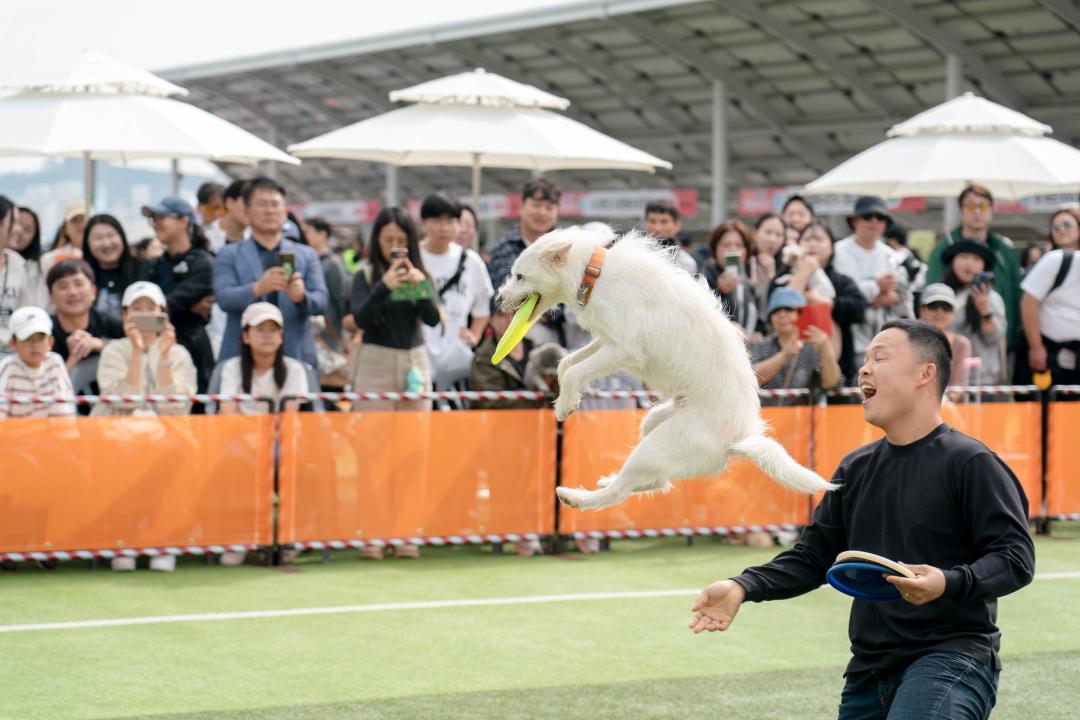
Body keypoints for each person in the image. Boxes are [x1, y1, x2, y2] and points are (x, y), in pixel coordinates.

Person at [690, 319, 1035, 720]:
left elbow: (1015, 558)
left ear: (927, 374)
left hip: (951, 658)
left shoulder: (970, 462)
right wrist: (741, 586)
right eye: (865, 359)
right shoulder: (854, 468)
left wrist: (947, 582)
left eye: (880, 357)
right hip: (868, 670)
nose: (864, 369)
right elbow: (813, 558)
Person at [213, 177, 328, 376]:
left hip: (295, 354)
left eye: (275, 204)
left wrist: (301, 297)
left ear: (285, 211)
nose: (269, 210)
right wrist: (257, 288)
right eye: (262, 204)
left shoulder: (306, 255)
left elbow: (322, 301)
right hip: (242, 358)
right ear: (247, 211)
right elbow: (224, 298)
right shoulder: (229, 253)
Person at [350, 207, 440, 414]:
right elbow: (360, 320)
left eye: (401, 241)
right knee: (373, 438)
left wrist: (421, 291)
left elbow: (432, 320)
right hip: (375, 365)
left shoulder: (420, 275)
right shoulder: (365, 275)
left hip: (414, 364)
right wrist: (383, 287)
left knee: (413, 439)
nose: (395, 247)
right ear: (376, 240)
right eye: (388, 240)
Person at [926, 184, 1022, 353]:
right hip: (947, 351)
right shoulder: (942, 250)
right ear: (961, 211)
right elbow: (931, 295)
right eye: (970, 206)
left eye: (983, 206)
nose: (977, 211)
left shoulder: (1005, 252)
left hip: (998, 349)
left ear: (991, 210)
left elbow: (1016, 298)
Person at [418, 194, 493, 392]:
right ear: (423, 223)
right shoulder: (414, 259)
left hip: (455, 360)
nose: (444, 227)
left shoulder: (471, 261)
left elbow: (483, 307)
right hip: (418, 354)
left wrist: (475, 335)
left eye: (450, 221)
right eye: (436, 220)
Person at [143, 195, 216, 393]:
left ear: (184, 221)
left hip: (191, 348)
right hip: (155, 350)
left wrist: (151, 319)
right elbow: (141, 318)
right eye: (153, 219)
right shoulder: (154, 265)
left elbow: (167, 309)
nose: (155, 224)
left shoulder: (203, 264)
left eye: (161, 217)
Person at [93, 281, 196, 418]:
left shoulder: (178, 353)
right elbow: (125, 401)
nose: (144, 314)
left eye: (151, 308)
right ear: (125, 315)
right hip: (118, 432)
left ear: (163, 314)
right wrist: (137, 351)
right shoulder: (113, 350)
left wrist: (164, 356)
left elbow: (174, 406)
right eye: (137, 308)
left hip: (167, 432)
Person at [781, 222, 867, 384]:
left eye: (819, 239)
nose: (812, 243)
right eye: (807, 239)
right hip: (789, 365)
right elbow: (779, 305)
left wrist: (828, 303)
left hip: (837, 366)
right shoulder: (784, 277)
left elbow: (859, 308)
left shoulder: (841, 281)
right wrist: (803, 273)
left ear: (831, 247)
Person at [832, 196, 912, 362]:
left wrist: (894, 298)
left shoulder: (891, 255)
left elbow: (904, 299)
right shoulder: (838, 252)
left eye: (880, 218)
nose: (874, 221)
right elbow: (837, 295)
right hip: (847, 338)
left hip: (884, 339)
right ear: (854, 221)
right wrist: (875, 286)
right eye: (868, 216)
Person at [487, 178, 563, 345]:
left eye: (549, 207)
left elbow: (565, 304)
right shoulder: (504, 248)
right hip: (510, 335)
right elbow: (504, 295)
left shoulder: (562, 251)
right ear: (521, 207)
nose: (542, 212)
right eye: (536, 205)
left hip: (553, 340)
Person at [218, 302, 310, 416]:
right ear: (245, 336)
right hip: (240, 432)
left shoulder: (294, 369)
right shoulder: (231, 368)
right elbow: (228, 413)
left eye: (273, 329)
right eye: (261, 329)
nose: (268, 335)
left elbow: (288, 416)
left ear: (281, 336)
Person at [749, 287, 840, 397]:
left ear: (801, 314)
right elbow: (750, 379)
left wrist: (826, 347)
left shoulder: (813, 346)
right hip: (766, 413)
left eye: (789, 309)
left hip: (805, 413)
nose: (782, 315)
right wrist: (784, 356)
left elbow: (831, 383)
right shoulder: (761, 346)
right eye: (776, 311)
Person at [941, 240, 1007, 385]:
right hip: (945, 379)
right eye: (963, 257)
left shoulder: (991, 298)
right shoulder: (940, 295)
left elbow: (994, 337)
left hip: (980, 380)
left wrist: (984, 309)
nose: (969, 263)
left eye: (976, 259)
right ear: (952, 261)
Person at [1019, 238, 1080, 386]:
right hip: (1047, 356)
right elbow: (1028, 303)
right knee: (1043, 407)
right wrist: (1036, 347)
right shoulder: (1057, 260)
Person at [0, 306, 75, 419]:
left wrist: (65, 436)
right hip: (14, 435)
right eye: (27, 339)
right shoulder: (7, 367)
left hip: (47, 434)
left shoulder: (55, 363)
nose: (35, 345)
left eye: (40, 338)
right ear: (13, 343)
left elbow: (64, 412)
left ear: (50, 342)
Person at [82, 214, 145, 323]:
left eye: (111, 235)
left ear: (122, 237)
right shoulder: (81, 275)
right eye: (98, 238)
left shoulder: (144, 269)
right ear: (87, 243)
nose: (106, 243)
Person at [301, 216, 349, 355]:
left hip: (329, 334)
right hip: (310, 333)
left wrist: (344, 335)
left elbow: (341, 300)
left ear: (322, 234)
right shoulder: (306, 261)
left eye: (308, 231)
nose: (304, 235)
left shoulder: (332, 264)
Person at [704, 219, 758, 335]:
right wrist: (719, 291)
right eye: (726, 245)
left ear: (746, 251)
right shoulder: (706, 276)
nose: (733, 249)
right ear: (715, 249)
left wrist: (758, 332)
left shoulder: (748, 279)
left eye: (738, 245)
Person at [917, 283, 973, 386]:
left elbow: (959, 387)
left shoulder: (961, 344)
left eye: (946, 307)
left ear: (953, 313)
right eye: (933, 306)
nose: (940, 311)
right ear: (922, 310)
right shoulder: (910, 341)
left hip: (948, 401)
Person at [0, 196, 32, 353]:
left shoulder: (18, 264)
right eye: (14, 222)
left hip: (11, 356)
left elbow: (26, 315)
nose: (19, 229)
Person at [643, 199, 698, 274]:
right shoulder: (633, 257)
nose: (657, 228)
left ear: (677, 225)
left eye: (664, 221)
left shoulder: (686, 263)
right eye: (652, 221)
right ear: (645, 224)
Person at [750, 213, 786, 319]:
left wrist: (771, 276)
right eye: (768, 232)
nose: (773, 239)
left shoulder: (786, 269)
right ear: (755, 234)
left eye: (779, 235)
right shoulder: (745, 264)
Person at [13, 206, 48, 309]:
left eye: (27, 229)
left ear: (34, 237)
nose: (19, 231)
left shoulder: (36, 268)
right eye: (16, 223)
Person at [40, 200, 87, 277]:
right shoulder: (49, 259)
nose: (81, 225)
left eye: (84, 219)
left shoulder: (103, 257)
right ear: (65, 229)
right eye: (74, 220)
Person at [203, 179, 249, 255]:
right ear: (230, 203)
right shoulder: (205, 238)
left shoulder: (257, 240)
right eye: (247, 202)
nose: (252, 208)